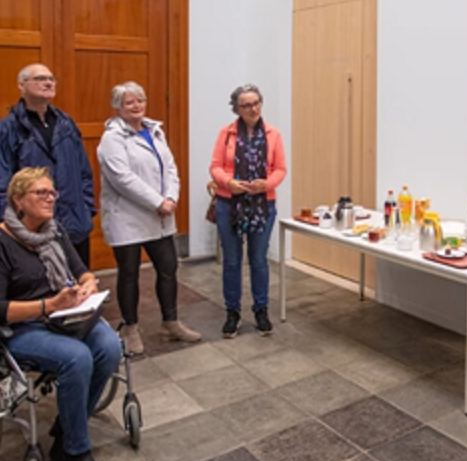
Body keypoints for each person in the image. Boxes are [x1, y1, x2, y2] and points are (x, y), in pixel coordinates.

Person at [0, 167, 121, 461]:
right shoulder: (3, 241)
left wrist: (88, 285)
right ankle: (74, 450)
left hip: (64, 316)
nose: (50, 198)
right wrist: (47, 305)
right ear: (18, 200)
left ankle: (67, 428)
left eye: (52, 192)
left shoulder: (54, 230)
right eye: (41, 193)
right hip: (22, 327)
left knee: (110, 346)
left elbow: (83, 270)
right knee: (77, 357)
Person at [97, 81, 200, 355]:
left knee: (168, 268)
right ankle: (130, 328)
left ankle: (171, 322)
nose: (136, 105)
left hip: (161, 216)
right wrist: (158, 201)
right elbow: (122, 178)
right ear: (118, 106)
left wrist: (172, 197)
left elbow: (170, 168)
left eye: (140, 100)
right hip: (127, 217)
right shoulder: (112, 138)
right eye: (129, 102)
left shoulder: (155, 131)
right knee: (128, 274)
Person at [0, 63, 96, 267]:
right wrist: (12, 224)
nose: (48, 83)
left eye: (51, 79)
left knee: (81, 288)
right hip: (32, 230)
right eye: (40, 79)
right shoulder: (8, 129)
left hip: (74, 224)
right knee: (45, 292)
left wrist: (86, 209)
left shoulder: (66, 124)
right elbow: (3, 181)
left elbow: (84, 172)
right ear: (21, 85)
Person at [210, 84, 287, 338]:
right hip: (228, 205)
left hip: (263, 204)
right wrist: (228, 183)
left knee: (259, 261)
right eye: (246, 105)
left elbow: (280, 169)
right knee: (232, 262)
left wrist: (267, 184)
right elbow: (216, 166)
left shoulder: (273, 133)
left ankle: (261, 310)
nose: (253, 109)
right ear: (237, 109)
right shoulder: (226, 133)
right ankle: (232, 313)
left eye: (256, 103)